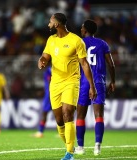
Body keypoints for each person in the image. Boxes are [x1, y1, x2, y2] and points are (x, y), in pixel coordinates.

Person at [38, 13, 97, 160]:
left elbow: (84, 64)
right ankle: (70, 146)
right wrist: (42, 61)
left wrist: (92, 86)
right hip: (55, 83)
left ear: (57, 24)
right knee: (59, 120)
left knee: (67, 113)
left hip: (71, 81)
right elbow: (45, 56)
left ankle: (69, 153)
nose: (48, 25)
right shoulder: (51, 40)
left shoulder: (76, 40)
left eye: (50, 22)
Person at [74, 19, 115, 156]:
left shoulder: (79, 43)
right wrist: (113, 81)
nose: (80, 30)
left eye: (81, 28)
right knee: (99, 115)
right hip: (99, 81)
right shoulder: (102, 44)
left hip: (83, 82)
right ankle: (97, 146)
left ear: (85, 30)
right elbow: (111, 64)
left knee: (80, 115)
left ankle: (80, 147)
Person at [33, 66, 52, 138]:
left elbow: (50, 81)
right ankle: (63, 131)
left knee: (44, 113)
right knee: (59, 113)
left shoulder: (49, 70)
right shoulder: (50, 69)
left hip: (50, 94)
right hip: (51, 93)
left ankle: (40, 131)